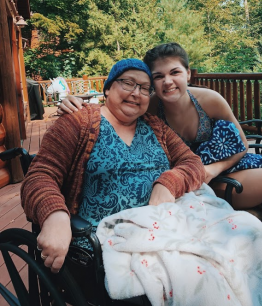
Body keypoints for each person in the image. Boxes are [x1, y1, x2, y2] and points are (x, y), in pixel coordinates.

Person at [59, 43, 262, 258]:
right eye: (158, 76)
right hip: (190, 184)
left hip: (221, 170)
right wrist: (75, 103)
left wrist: (212, 169)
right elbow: (114, 107)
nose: (168, 81)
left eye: (175, 72)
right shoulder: (148, 107)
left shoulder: (209, 100)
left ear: (188, 74)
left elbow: (242, 144)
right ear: (151, 83)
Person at [21, 59, 205, 274]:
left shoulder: (156, 126)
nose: (136, 93)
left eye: (145, 89)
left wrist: (170, 182)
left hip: (161, 231)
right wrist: (54, 215)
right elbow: (40, 175)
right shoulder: (78, 122)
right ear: (108, 88)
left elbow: (193, 163)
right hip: (103, 245)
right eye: (128, 83)